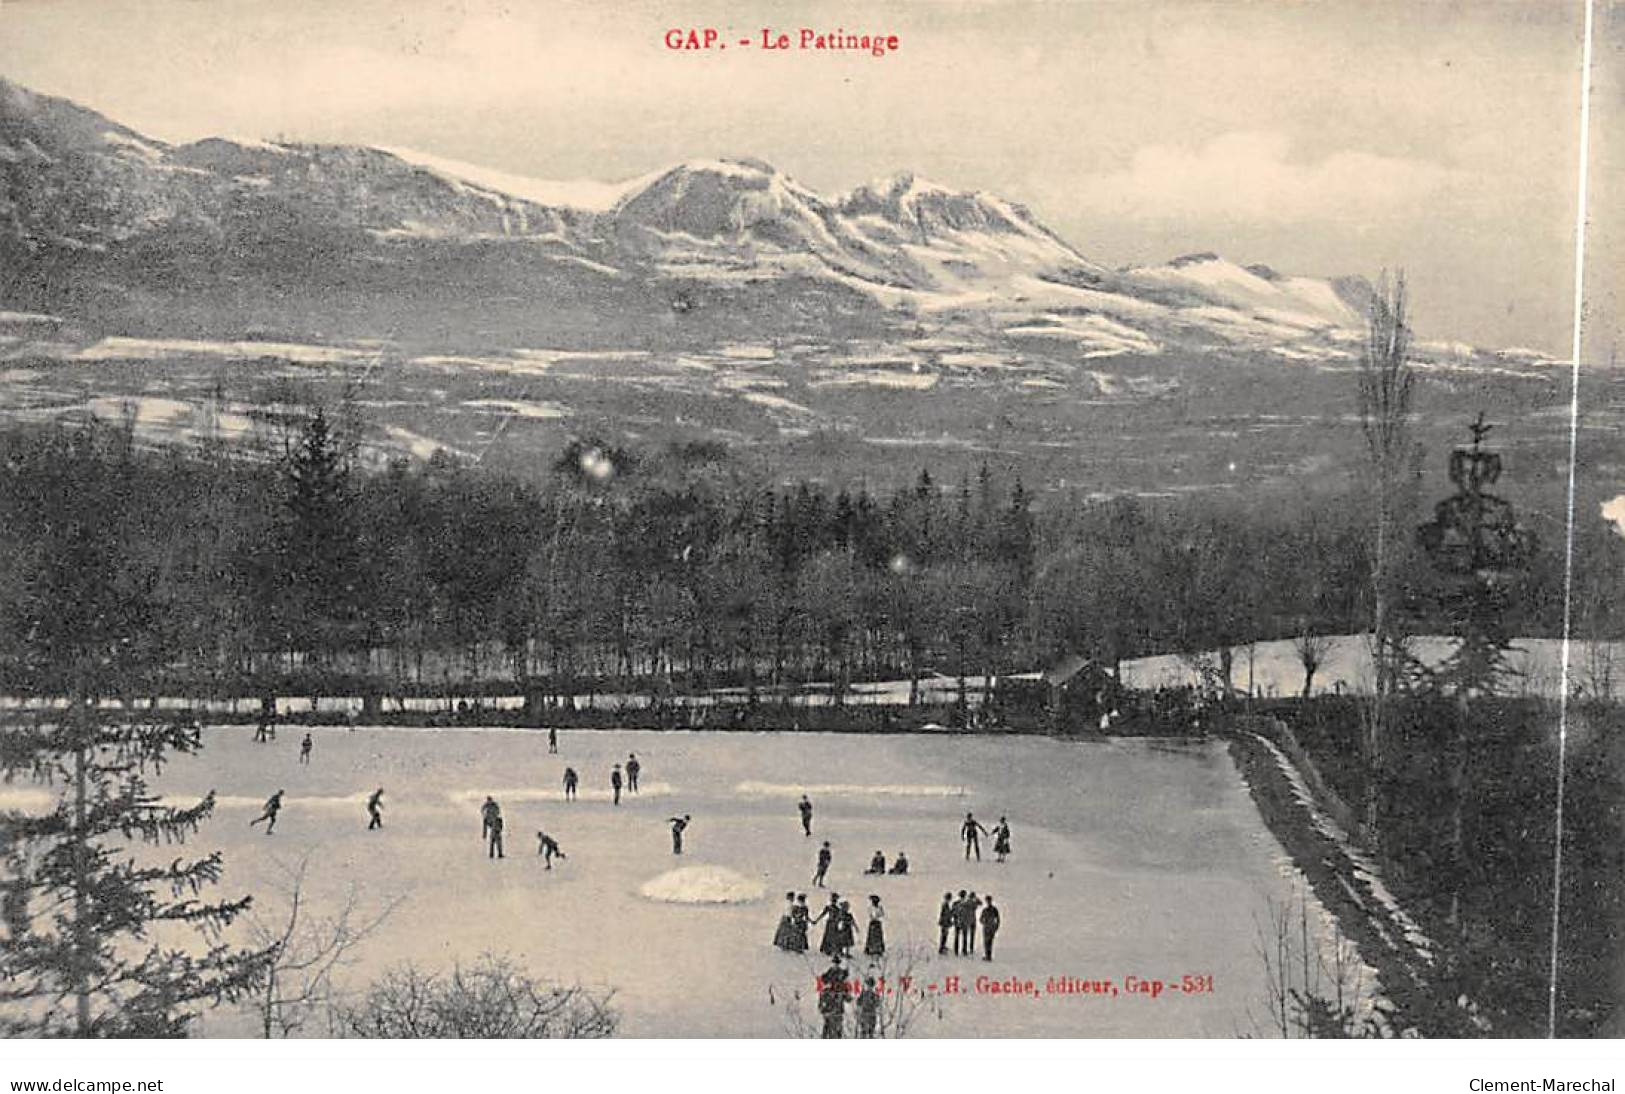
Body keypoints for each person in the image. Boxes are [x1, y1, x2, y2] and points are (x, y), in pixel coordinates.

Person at [817, 957, 848, 1039]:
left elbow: (847, 995)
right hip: (828, 1011)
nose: (835, 965)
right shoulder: (825, 990)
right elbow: (821, 1005)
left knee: (837, 1032)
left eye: (837, 963)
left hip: (838, 1012)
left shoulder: (841, 978)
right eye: (834, 963)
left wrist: (842, 993)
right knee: (827, 1031)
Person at [980, 896, 1001, 961]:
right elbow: (998, 919)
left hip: (987, 928)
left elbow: (981, 919)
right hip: (991, 927)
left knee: (987, 942)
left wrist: (984, 922)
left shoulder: (985, 910)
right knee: (989, 942)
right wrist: (996, 927)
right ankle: (988, 956)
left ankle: (988, 956)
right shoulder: (994, 909)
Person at [961, 891, 982, 957]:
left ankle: (965, 950)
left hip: (967, 921)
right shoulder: (973, 903)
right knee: (971, 936)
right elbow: (980, 903)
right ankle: (970, 949)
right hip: (971, 921)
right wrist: (976, 898)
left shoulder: (967, 902)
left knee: (966, 936)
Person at [950, 890, 968, 955]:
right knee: (961, 937)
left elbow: (952, 912)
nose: (962, 897)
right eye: (962, 896)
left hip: (961, 922)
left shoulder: (957, 903)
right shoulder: (965, 904)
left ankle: (959, 950)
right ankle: (960, 951)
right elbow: (952, 913)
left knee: (961, 937)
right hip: (960, 922)